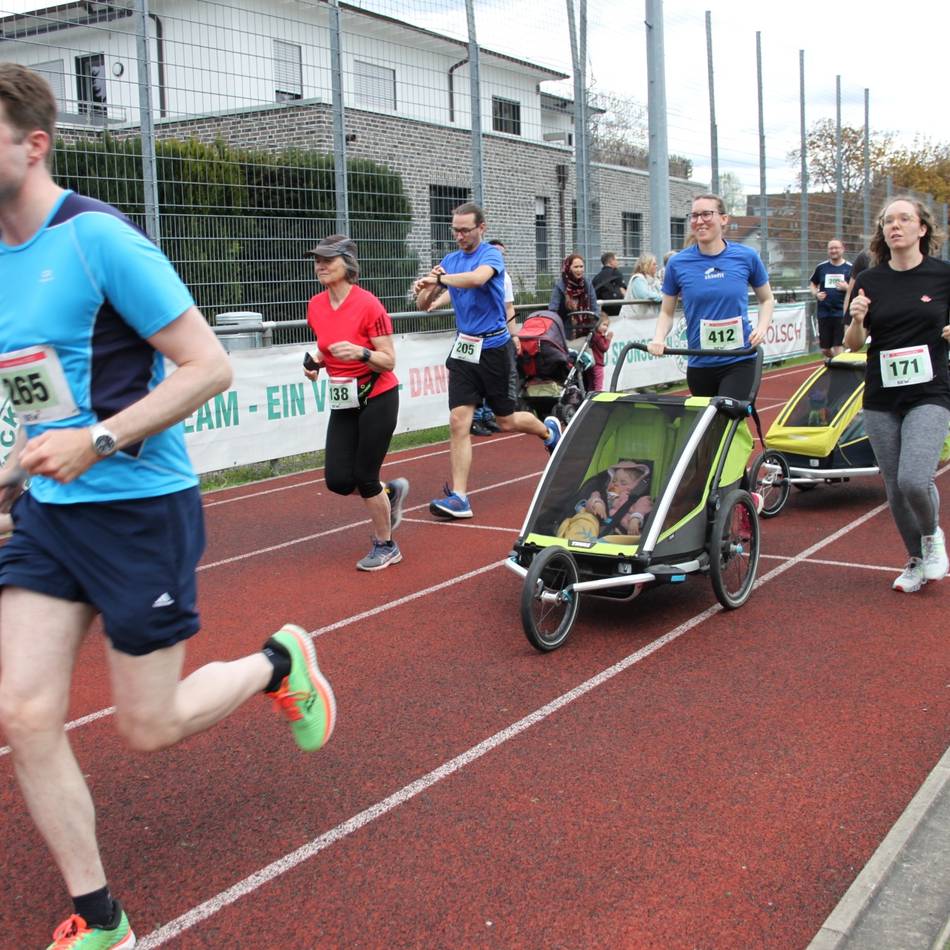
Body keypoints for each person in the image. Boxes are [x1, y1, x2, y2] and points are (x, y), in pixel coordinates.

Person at [0, 63, 336, 949]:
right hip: (48, 513)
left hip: (138, 508)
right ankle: (101, 917)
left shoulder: (99, 240)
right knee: (23, 713)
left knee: (147, 727)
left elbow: (209, 366)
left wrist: (96, 441)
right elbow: (39, 391)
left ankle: (276, 663)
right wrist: (17, 466)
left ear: (33, 145)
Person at [414, 202, 560, 519]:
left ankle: (548, 433)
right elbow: (427, 305)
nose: (459, 235)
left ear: (482, 228)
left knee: (506, 420)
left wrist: (441, 280)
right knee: (458, 422)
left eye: (465, 229)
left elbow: (478, 279)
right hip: (464, 350)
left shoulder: (490, 256)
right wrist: (425, 286)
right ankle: (459, 497)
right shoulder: (450, 261)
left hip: (494, 349)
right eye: (455, 230)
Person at [845, 196, 950, 593]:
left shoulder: (943, 276)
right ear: (882, 232)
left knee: (912, 479)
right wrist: (856, 320)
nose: (896, 225)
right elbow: (853, 344)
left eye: (905, 219)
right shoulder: (870, 280)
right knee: (893, 486)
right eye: (889, 220)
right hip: (881, 395)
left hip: (930, 391)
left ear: (922, 229)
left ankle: (932, 538)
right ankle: (916, 560)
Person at [303, 234, 409, 570]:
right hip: (344, 397)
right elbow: (325, 346)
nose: (320, 265)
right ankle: (386, 495)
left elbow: (388, 360)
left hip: (378, 394)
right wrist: (314, 363)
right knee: (337, 480)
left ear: (347, 264)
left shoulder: (368, 305)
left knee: (364, 474)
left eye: (327, 260)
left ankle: (386, 545)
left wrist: (362, 352)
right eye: (317, 260)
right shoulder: (316, 305)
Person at [648, 193, 774, 400]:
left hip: (739, 359)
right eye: (694, 215)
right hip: (700, 362)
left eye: (707, 214)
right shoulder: (677, 264)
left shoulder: (746, 257)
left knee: (726, 414)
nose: (700, 221)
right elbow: (666, 312)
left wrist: (761, 328)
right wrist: (659, 338)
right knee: (708, 426)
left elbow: (767, 299)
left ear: (723, 219)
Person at [809, 239, 853, 357]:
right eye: (831, 248)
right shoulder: (821, 268)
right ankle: (841, 362)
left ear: (842, 249)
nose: (833, 251)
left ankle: (840, 370)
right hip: (824, 312)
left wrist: (847, 288)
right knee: (825, 350)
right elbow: (813, 284)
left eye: (836, 248)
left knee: (838, 346)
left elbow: (857, 289)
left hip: (841, 313)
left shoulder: (850, 268)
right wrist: (816, 294)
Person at [549, 253, 601, 340]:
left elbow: (594, 307)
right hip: (565, 332)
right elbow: (553, 310)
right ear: (569, 268)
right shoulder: (561, 286)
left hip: (587, 331)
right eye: (576, 267)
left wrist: (595, 323)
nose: (579, 270)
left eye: (581, 266)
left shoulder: (587, 284)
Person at [620, 252, 663, 318]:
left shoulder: (655, 280)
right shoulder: (638, 279)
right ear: (646, 265)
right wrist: (661, 297)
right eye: (654, 264)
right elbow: (644, 295)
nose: (656, 266)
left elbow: (663, 291)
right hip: (632, 320)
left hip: (645, 319)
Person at [588, 314, 613, 391]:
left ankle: (589, 397)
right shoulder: (598, 337)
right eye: (604, 324)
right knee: (598, 383)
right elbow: (604, 348)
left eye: (607, 326)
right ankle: (597, 397)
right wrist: (608, 339)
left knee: (591, 383)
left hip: (591, 363)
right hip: (598, 364)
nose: (606, 328)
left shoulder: (593, 335)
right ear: (598, 324)